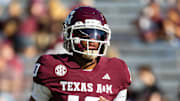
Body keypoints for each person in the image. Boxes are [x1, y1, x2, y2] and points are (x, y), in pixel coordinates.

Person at [29, 6, 131, 101]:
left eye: (98, 35)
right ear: (70, 35)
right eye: (86, 34)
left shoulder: (117, 70)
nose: (92, 41)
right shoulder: (51, 67)